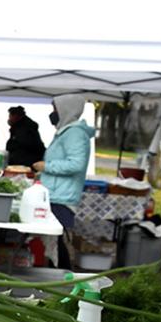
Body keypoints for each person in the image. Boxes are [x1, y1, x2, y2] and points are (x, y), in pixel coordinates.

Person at [32, 95, 93, 270]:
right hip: (56, 194)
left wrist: (47, 166)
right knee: (54, 243)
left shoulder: (74, 134)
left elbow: (76, 164)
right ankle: (59, 275)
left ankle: (63, 276)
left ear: (66, 110)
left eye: (55, 110)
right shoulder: (66, 132)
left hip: (62, 197)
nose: (53, 114)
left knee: (57, 244)